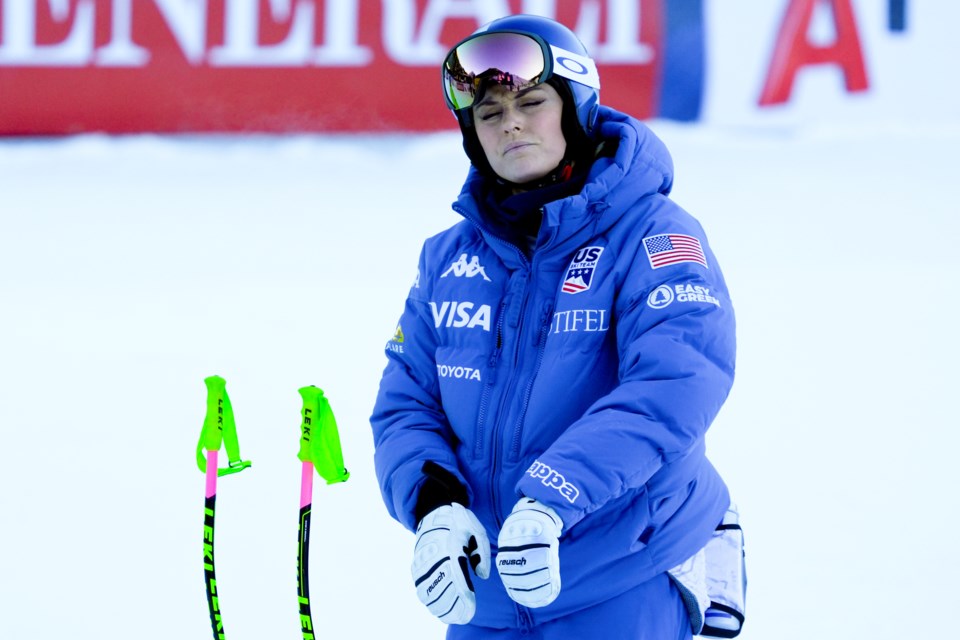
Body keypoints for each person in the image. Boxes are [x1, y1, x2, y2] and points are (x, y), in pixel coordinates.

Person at [370, 14, 743, 640]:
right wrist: (433, 505)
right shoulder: (446, 257)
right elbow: (406, 402)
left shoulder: (654, 234)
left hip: (623, 577)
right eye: (489, 114)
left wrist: (552, 497)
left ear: (576, 108)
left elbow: (677, 385)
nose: (510, 122)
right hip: (486, 601)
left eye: (532, 102)